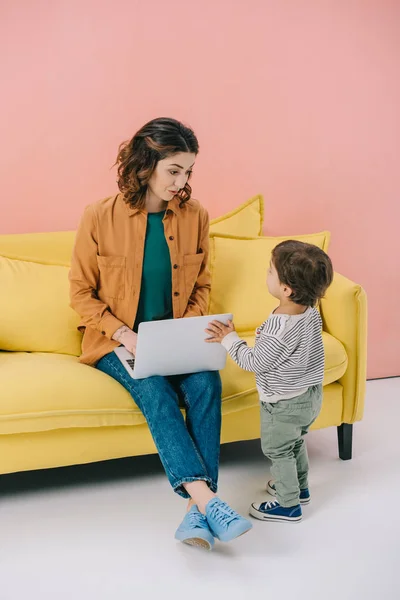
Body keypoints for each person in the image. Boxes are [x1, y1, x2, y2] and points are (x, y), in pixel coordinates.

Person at [69, 117, 252, 550]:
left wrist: (185, 329)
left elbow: (202, 283)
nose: (181, 181)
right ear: (145, 164)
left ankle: (196, 513)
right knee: (153, 389)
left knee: (207, 382)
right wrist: (123, 335)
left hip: (177, 338)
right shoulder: (98, 216)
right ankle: (208, 499)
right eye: (174, 170)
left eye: (188, 171)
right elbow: (80, 293)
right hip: (115, 341)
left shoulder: (196, 216)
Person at [206, 240, 333, 523]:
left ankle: (288, 505)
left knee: (278, 449)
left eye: (270, 271)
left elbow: (254, 362)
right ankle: (298, 488)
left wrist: (229, 339)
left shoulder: (279, 327)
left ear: (286, 289)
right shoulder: (310, 313)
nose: (267, 274)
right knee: (295, 442)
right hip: (309, 396)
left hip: (284, 402)